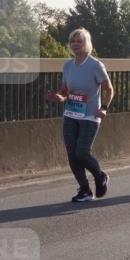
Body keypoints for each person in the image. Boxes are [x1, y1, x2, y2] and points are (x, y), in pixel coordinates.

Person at [45, 28, 113, 202]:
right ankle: (84, 190)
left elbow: (109, 89)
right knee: (71, 154)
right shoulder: (67, 66)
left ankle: (100, 176)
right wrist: (57, 97)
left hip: (90, 115)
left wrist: (104, 107)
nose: (75, 44)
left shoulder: (95, 65)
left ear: (86, 43)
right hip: (71, 114)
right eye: (72, 41)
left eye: (79, 41)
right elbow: (65, 92)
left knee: (81, 152)